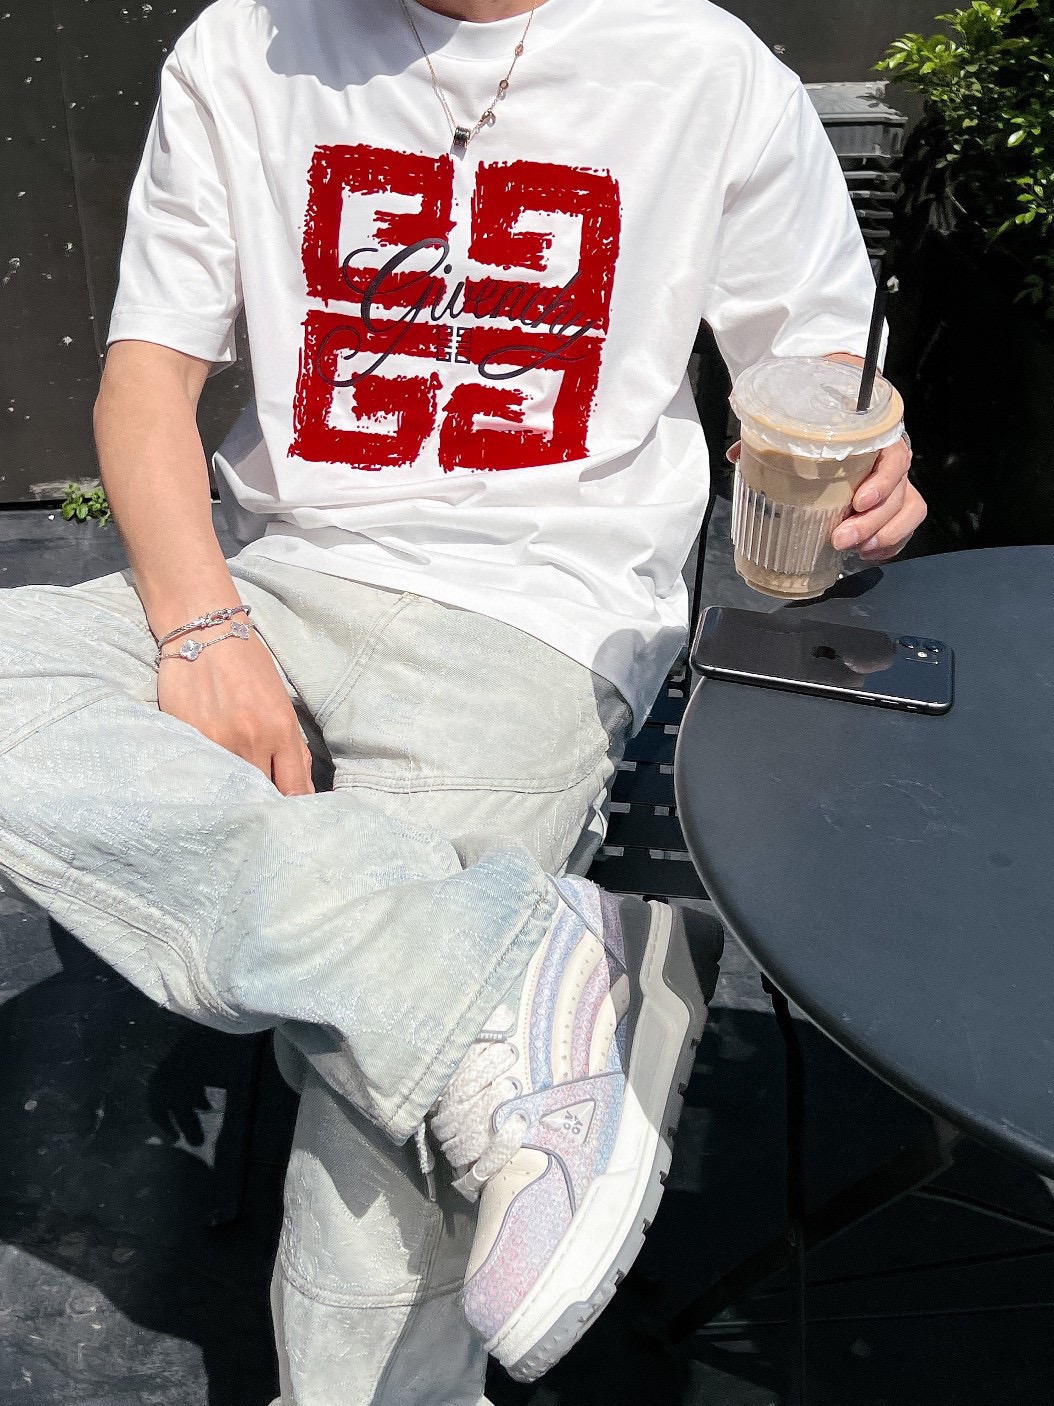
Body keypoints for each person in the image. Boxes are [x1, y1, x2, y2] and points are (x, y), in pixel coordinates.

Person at [0, 0, 926, 1400]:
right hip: (277, 577)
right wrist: (202, 624)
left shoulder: (702, 68)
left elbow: (815, 381)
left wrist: (872, 480)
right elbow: (145, 383)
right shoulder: (243, 44)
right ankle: (500, 983)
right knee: (433, 1040)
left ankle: (460, 1036)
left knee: (378, 1146)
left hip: (535, 620)